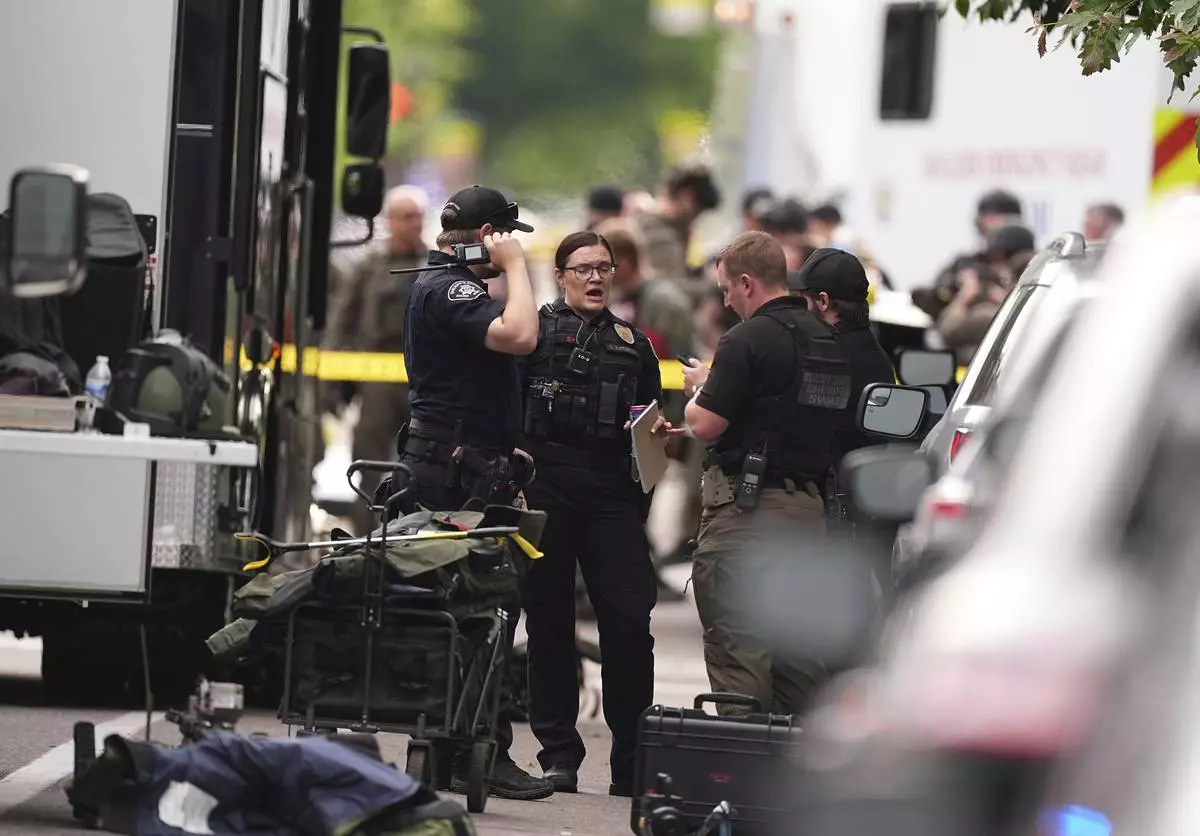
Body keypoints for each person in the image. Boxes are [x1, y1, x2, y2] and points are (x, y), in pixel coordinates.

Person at [397, 184, 553, 801]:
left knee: (467, 614)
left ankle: (454, 748)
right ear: (488, 235)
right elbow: (521, 336)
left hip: (466, 464)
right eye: (506, 236)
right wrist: (516, 266)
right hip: (454, 477)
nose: (511, 247)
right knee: (484, 612)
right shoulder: (451, 288)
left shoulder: (447, 286)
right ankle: (475, 752)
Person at [518, 230, 677, 798]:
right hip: (546, 485)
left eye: (604, 268)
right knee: (549, 622)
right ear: (560, 275)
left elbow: (649, 428)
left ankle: (630, 763)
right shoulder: (533, 334)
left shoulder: (635, 346)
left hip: (611, 491)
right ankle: (559, 755)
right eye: (583, 268)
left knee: (630, 623)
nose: (595, 278)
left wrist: (649, 460)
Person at [681, 231, 852, 717]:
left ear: (747, 283)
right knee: (799, 659)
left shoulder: (746, 338)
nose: (726, 301)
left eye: (726, 290)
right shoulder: (829, 341)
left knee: (740, 652)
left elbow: (705, 424)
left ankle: (745, 757)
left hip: (747, 518)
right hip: (809, 518)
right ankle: (795, 760)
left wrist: (701, 390)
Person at [322, 185, 430, 534]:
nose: (413, 224)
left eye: (418, 216)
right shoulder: (370, 267)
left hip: (423, 381)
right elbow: (342, 321)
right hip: (377, 380)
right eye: (406, 217)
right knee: (370, 461)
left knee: (425, 459)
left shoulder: (434, 265)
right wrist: (333, 379)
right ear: (390, 221)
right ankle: (366, 534)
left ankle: (413, 532)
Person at [789, 248, 896, 552]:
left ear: (823, 302)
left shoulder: (828, 357)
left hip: (830, 515)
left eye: (803, 299)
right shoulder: (874, 354)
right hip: (859, 511)